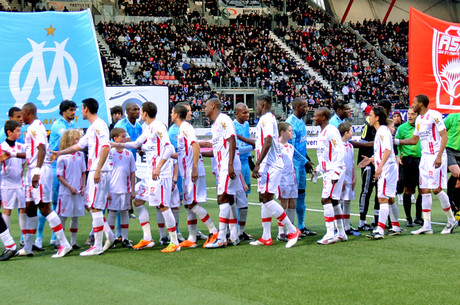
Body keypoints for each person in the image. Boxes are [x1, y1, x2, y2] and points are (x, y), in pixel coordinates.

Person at [110, 102, 180, 253]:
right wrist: (113, 144)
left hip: (160, 174)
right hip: (150, 174)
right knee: (139, 201)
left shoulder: (159, 126)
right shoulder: (148, 129)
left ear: (145, 113)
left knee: (163, 205)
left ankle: (174, 241)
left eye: (141, 111)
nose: (140, 114)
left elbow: (168, 147)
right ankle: (147, 238)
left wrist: (159, 167)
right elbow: (135, 144)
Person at [51, 98, 116, 256]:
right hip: (96, 169)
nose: (80, 111)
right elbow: (78, 146)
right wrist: (59, 152)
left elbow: (106, 147)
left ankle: (98, 245)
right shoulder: (93, 127)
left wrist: (98, 169)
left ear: (86, 109)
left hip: (98, 169)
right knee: (93, 205)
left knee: (94, 207)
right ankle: (109, 237)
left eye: (81, 108)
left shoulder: (99, 125)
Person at [395, 94, 457, 235]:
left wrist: (440, 155)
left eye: (415, 102)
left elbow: (444, 135)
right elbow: (414, 140)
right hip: (425, 157)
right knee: (424, 190)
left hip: (436, 155)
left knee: (436, 189)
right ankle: (427, 225)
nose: (413, 104)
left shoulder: (434, 115)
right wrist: (396, 142)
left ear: (421, 104)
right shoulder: (419, 120)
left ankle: (451, 220)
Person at [18, 103, 72, 258]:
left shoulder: (36, 127)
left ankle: (64, 244)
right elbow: (32, 151)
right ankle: (28, 247)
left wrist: (36, 170)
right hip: (33, 169)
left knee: (44, 206)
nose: (21, 117)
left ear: (28, 112)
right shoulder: (31, 128)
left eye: (22, 113)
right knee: (29, 207)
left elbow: (42, 148)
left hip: (39, 170)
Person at [249, 95, 300, 248]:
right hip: (266, 165)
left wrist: (257, 164)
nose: (256, 108)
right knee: (262, 198)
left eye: (257, 105)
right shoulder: (266, 119)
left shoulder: (266, 119)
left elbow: (268, 141)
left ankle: (292, 230)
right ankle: (266, 236)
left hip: (270, 165)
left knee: (267, 198)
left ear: (263, 104)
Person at [171, 104, 218, 249]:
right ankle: (192, 237)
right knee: (188, 204)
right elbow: (183, 152)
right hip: (187, 171)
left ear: (177, 114)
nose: (171, 114)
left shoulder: (186, 128)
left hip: (193, 171)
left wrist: (195, 168)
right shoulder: (181, 130)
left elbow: (195, 146)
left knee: (191, 203)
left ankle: (213, 231)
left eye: (172, 112)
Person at [37, 100, 76, 249]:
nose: (73, 112)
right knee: (46, 203)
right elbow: (68, 141)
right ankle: (38, 239)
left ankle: (55, 238)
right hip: (53, 166)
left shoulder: (71, 125)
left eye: (74, 109)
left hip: (65, 166)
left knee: (58, 204)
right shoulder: (58, 125)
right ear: (63, 111)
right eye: (71, 110)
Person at [203, 98, 242, 248]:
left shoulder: (223, 119)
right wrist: (199, 153)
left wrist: (230, 164)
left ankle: (221, 237)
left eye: (206, 106)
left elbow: (232, 140)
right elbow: (218, 150)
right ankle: (234, 234)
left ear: (213, 106)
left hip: (228, 165)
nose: (204, 109)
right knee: (229, 198)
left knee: (222, 198)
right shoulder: (215, 125)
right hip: (224, 165)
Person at [350, 99, 392, 231]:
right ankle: (363, 221)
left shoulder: (381, 128)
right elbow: (368, 143)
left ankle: (377, 219)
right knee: (368, 190)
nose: (369, 117)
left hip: (378, 162)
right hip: (372, 162)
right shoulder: (373, 126)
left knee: (379, 192)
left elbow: (384, 147)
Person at [359, 106, 401, 239]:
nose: (369, 118)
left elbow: (388, 150)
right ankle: (395, 226)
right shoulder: (382, 130)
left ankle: (380, 230)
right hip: (390, 167)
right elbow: (384, 151)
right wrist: (372, 159)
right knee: (389, 199)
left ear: (377, 117)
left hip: (387, 168)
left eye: (371, 115)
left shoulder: (382, 131)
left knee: (382, 198)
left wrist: (379, 167)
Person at [313, 107, 346, 244]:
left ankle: (330, 233)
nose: (313, 118)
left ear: (323, 118)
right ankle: (341, 233)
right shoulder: (322, 132)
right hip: (327, 171)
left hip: (334, 171)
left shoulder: (331, 130)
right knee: (333, 200)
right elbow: (324, 154)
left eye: (316, 116)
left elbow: (340, 150)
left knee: (325, 199)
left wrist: (336, 171)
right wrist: (318, 169)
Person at [285, 97, 316, 237]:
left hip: (301, 164)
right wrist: (304, 161)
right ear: (298, 108)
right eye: (305, 106)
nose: (307, 108)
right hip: (293, 165)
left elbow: (301, 144)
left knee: (301, 195)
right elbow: (290, 147)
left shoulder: (301, 122)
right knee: (293, 196)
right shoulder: (290, 123)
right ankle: (290, 228)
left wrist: (307, 158)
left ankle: (301, 226)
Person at [56, 129, 86, 250]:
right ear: (69, 140)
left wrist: (83, 186)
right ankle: (60, 242)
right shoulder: (62, 156)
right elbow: (59, 175)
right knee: (63, 216)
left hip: (78, 191)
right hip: (66, 192)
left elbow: (84, 172)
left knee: (75, 216)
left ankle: (73, 242)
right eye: (76, 139)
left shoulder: (80, 155)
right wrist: (69, 187)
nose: (79, 141)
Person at [106, 128, 136, 248]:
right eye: (123, 136)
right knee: (112, 213)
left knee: (124, 213)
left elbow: (132, 173)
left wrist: (132, 189)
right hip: (112, 189)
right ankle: (110, 238)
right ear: (115, 139)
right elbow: (107, 172)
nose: (125, 138)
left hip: (125, 189)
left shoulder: (128, 154)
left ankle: (125, 238)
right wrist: (106, 190)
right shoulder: (109, 153)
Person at [395, 107, 423, 226]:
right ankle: (409, 218)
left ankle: (418, 216)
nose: (410, 116)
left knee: (422, 190)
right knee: (408, 190)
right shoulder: (402, 128)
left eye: (413, 114)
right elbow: (395, 143)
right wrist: (397, 156)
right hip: (407, 161)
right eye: (409, 114)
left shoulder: (422, 126)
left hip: (421, 160)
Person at [1, 120, 27, 238]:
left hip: (20, 183)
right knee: (7, 210)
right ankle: (8, 241)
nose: (20, 133)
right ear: (9, 132)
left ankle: (24, 240)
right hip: (6, 184)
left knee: (23, 209)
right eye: (17, 131)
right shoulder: (2, 147)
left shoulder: (20, 147)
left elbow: (24, 162)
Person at [233, 103, 254, 241]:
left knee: (244, 198)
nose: (247, 115)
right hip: (237, 165)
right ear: (237, 114)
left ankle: (241, 230)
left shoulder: (246, 125)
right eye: (244, 113)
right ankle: (233, 230)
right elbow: (236, 150)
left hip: (246, 164)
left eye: (248, 112)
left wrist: (251, 160)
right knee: (235, 199)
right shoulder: (233, 126)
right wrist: (253, 146)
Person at [338, 122, 360, 236]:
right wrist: (340, 180)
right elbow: (339, 164)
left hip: (350, 178)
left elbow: (351, 162)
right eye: (351, 131)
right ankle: (339, 227)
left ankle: (347, 227)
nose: (352, 133)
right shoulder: (339, 146)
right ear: (346, 133)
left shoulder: (350, 146)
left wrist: (355, 177)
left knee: (348, 202)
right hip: (342, 179)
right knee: (340, 201)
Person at [277, 122, 298, 242]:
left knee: (292, 204)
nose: (292, 133)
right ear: (282, 132)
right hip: (282, 179)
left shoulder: (290, 147)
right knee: (283, 205)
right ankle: (281, 233)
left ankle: (291, 230)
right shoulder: (277, 146)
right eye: (289, 131)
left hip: (292, 178)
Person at [444, 112, 460, 217]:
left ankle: (456, 208)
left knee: (458, 183)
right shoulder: (452, 117)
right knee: (456, 172)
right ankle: (449, 201)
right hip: (450, 149)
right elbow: (441, 131)